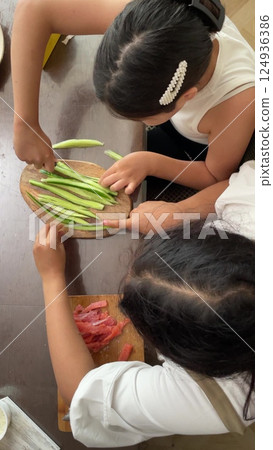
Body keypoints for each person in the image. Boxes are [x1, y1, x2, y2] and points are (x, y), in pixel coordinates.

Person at [33, 160, 255, 448]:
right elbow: (239, 188)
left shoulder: (219, 397)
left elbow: (78, 392)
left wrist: (51, 278)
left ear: (181, 350)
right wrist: (177, 213)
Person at [12, 0, 254, 196]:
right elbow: (33, 8)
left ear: (187, 97)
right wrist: (25, 123)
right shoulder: (145, 23)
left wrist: (151, 163)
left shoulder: (239, 102)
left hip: (199, 148)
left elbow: (215, 176)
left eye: (143, 117)